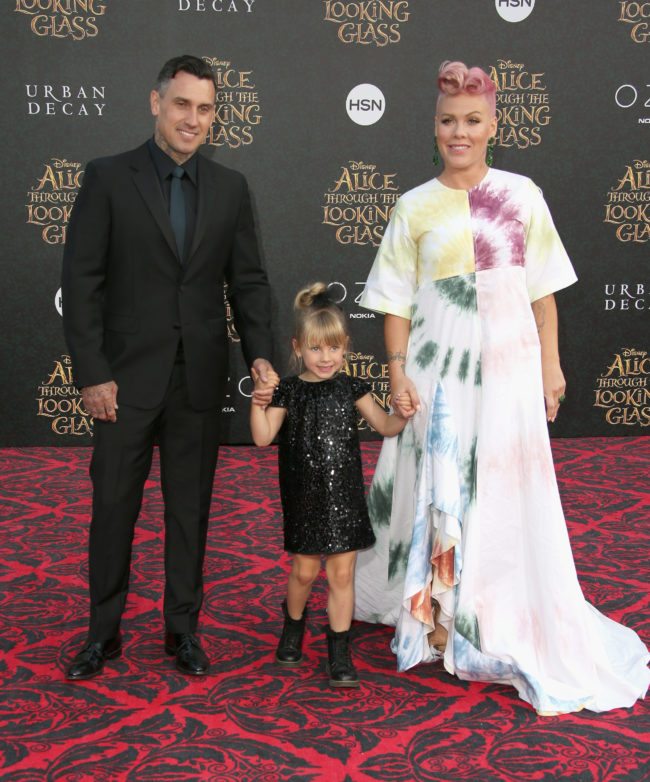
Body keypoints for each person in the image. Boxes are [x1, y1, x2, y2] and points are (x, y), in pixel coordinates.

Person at [354, 61, 649, 714]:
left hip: (510, 371)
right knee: (445, 485)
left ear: (493, 125)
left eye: (472, 120)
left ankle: (495, 608)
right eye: (448, 121)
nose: (459, 132)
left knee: (502, 488)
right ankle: (440, 612)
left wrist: (552, 366)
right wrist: (398, 371)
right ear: (434, 128)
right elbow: (395, 303)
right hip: (438, 374)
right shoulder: (413, 207)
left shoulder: (522, 195)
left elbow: (542, 295)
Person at [62, 54, 276, 679]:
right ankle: (103, 633)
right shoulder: (106, 177)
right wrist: (93, 372)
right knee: (114, 510)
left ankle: (182, 631)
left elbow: (251, 282)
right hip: (123, 381)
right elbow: (81, 283)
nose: (193, 119)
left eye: (205, 109)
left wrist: (262, 352)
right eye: (182, 104)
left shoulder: (231, 187)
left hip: (200, 380)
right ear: (156, 103)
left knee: (191, 511)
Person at [250, 283, 407, 687]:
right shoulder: (287, 390)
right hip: (303, 498)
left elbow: (386, 425)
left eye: (334, 348)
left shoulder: (351, 387)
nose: (326, 357)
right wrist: (257, 405)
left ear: (345, 348)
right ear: (298, 346)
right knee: (303, 572)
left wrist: (403, 412)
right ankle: (293, 627)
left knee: (341, 575)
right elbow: (264, 437)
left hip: (345, 499)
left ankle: (339, 650)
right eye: (317, 349)